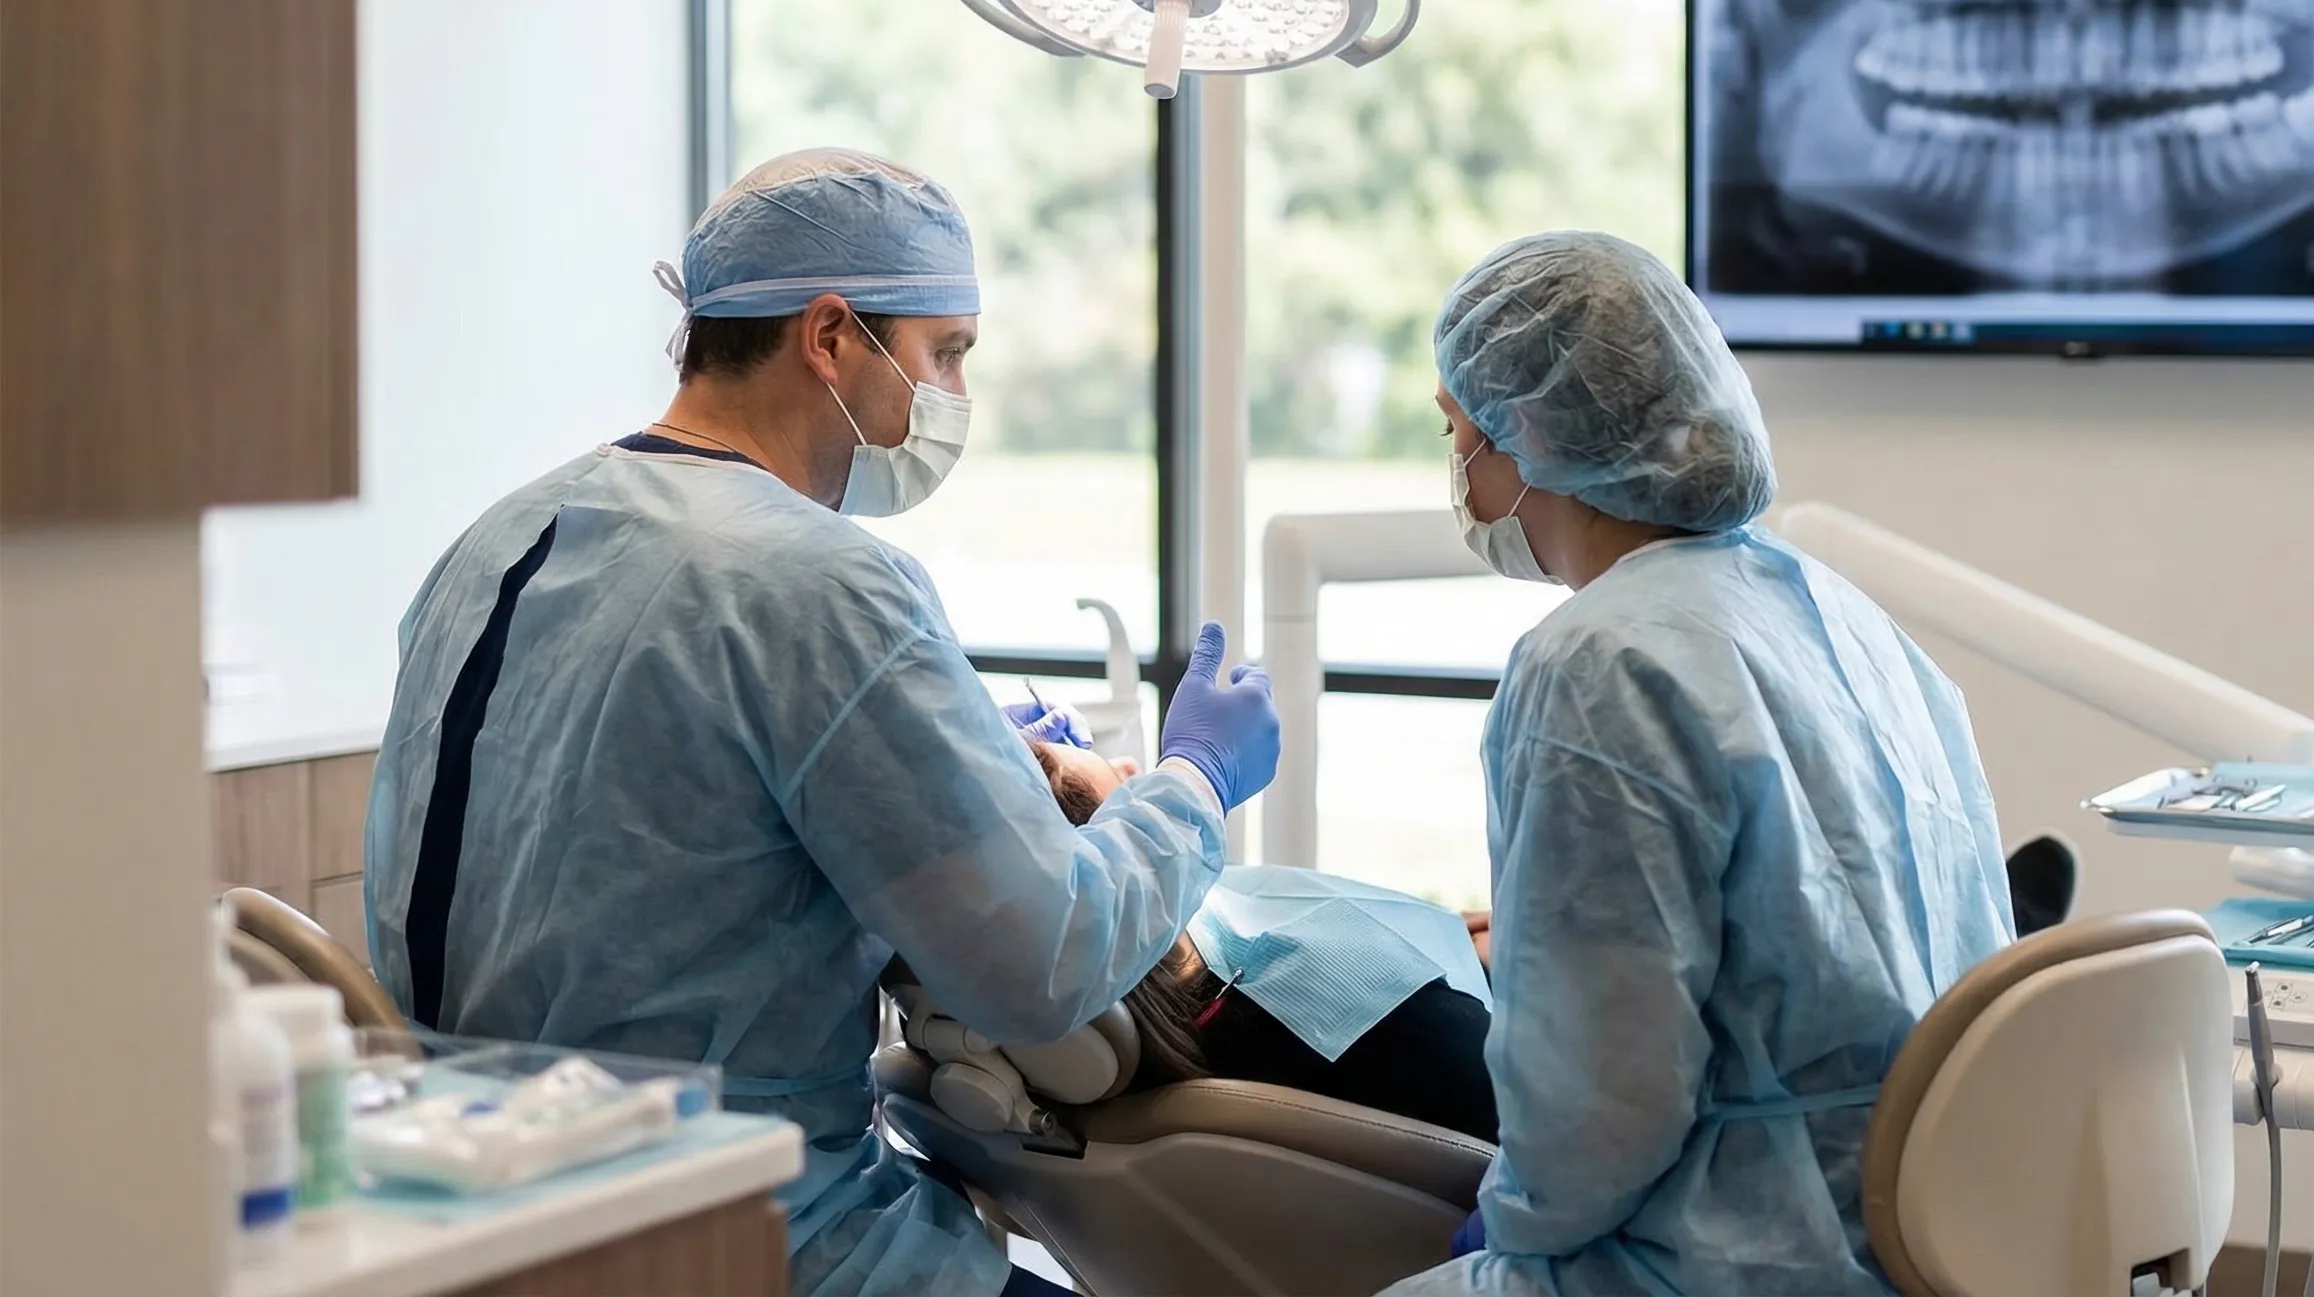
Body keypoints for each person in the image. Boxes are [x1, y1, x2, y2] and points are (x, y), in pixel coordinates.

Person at [362, 147, 1281, 1297]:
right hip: (735, 1235)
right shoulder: (820, 582)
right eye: (945, 354)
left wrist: (931, 760)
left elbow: (643, 807)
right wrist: (1193, 780)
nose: (952, 395)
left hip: (474, 1214)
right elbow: (1040, 965)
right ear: (832, 335)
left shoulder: (496, 536)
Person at [1389, 231, 2015, 1296]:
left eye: (1458, 432)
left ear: (1525, 429)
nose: (1457, 470)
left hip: (1737, 1255)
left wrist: (1515, 1224)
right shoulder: (1834, 613)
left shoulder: (1598, 662)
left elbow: (1601, 1094)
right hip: (1932, 1236)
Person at [1030, 741, 1499, 1141]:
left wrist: (1446, 935)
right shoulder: (1332, 999)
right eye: (1128, 790)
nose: (1133, 764)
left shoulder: (1170, 1020)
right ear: (1134, 871)